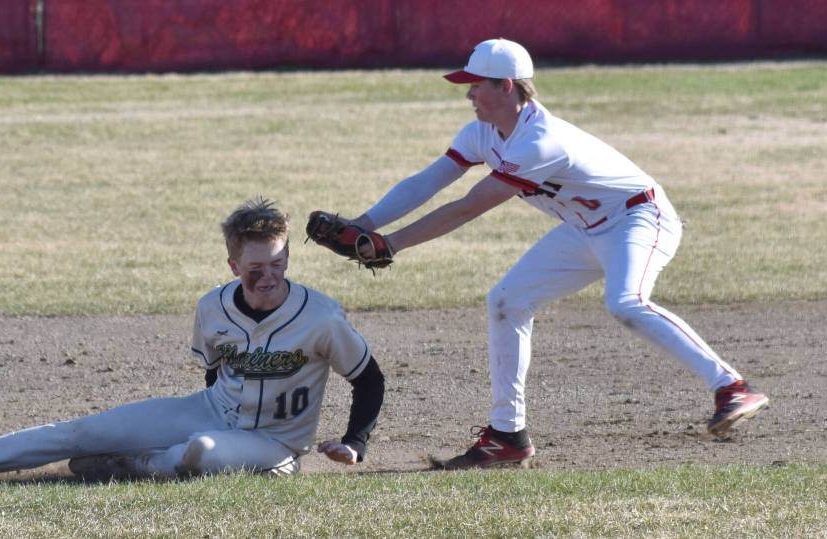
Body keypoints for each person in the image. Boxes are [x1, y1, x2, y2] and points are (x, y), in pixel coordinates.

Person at [329, 38, 768, 469]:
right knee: (507, 301)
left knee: (625, 302)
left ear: (506, 86)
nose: (468, 93)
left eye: (476, 83)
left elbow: (468, 207)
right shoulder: (482, 132)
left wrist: (392, 245)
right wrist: (364, 225)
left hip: (639, 218)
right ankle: (507, 436)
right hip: (584, 228)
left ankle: (732, 386)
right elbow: (428, 181)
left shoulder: (540, 140)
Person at [0, 197, 385, 482]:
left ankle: (128, 466)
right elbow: (215, 371)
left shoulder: (319, 316)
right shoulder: (212, 307)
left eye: (279, 264)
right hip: (213, 410)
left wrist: (355, 442)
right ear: (233, 266)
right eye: (257, 268)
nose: (270, 276)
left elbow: (369, 378)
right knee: (80, 431)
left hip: (276, 445)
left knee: (203, 450)